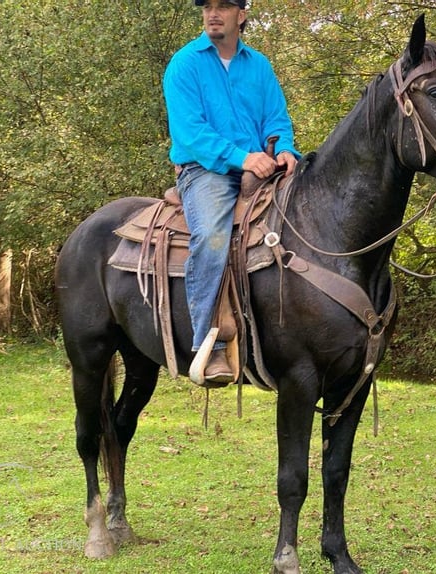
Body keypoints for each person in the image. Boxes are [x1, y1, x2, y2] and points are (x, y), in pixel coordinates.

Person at [163, 0, 299, 385]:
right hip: (206, 170)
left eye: (223, 6)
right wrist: (242, 158)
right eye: (207, 6)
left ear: (241, 14)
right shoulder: (185, 64)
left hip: (264, 166)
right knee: (212, 236)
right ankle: (211, 345)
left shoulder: (259, 66)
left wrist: (285, 148)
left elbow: (277, 118)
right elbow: (191, 132)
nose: (213, 13)